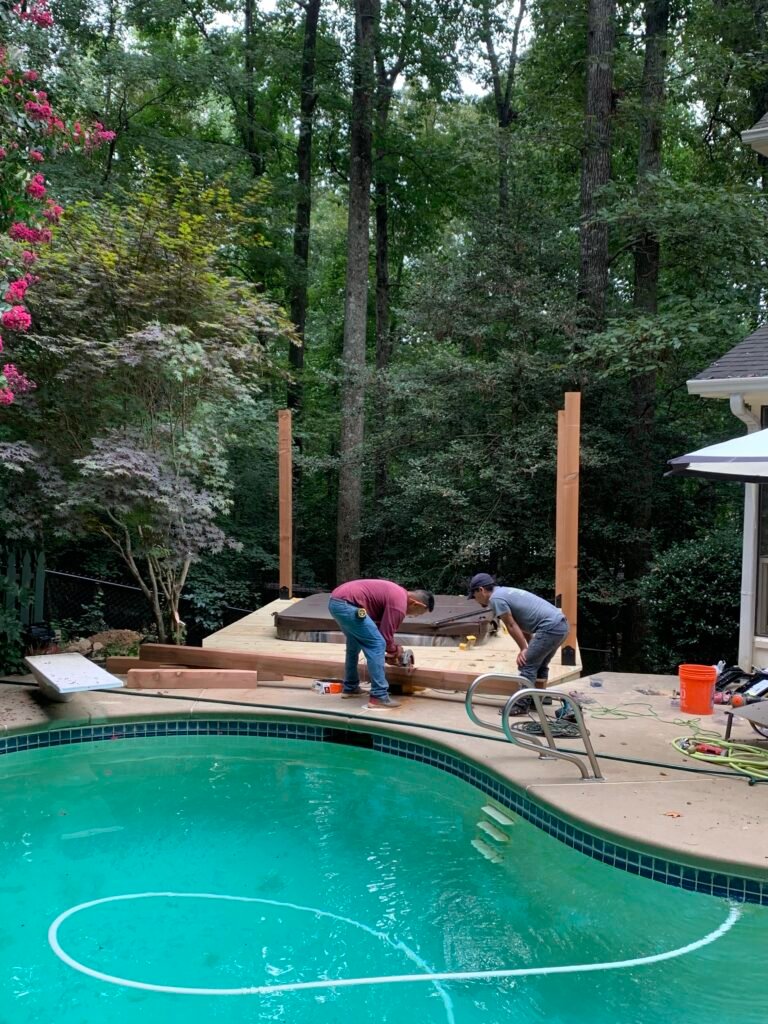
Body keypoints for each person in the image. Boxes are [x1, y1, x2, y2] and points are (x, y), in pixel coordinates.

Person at [467, 572, 568, 713]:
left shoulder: (496, 599)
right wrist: (528, 646)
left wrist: (524, 649)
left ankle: (521, 705)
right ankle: (538, 699)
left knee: (527, 664)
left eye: (474, 596)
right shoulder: (504, 592)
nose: (475, 600)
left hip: (550, 627)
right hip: (561, 625)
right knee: (540, 664)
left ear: (481, 590)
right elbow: (522, 624)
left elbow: (511, 625)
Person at [328, 579, 435, 708]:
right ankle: (379, 696)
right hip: (350, 606)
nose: (412, 616)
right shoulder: (399, 603)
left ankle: (350, 687)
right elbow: (385, 637)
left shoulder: (396, 594)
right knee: (377, 645)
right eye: (417, 614)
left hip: (337, 603)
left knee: (354, 645)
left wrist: (391, 650)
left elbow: (378, 628)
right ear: (416, 604)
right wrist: (395, 652)